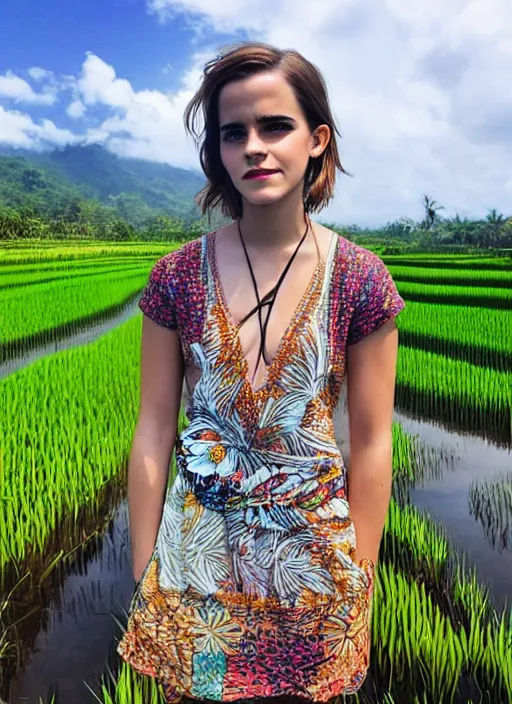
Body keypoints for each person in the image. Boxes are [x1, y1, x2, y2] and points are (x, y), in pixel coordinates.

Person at [117, 40, 405, 703]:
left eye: (275, 125)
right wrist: (143, 569)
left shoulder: (361, 280)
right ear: (216, 152)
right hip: (197, 580)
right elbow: (154, 428)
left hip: (315, 575)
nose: (254, 146)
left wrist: (359, 577)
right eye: (232, 132)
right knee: (203, 695)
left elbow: (372, 440)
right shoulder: (176, 278)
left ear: (317, 140)